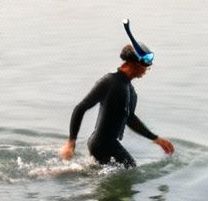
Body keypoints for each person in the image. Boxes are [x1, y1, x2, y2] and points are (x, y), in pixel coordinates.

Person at [62, 26, 174, 168]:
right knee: (130, 170)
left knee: (100, 173)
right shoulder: (110, 82)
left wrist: (156, 139)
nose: (147, 70)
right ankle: (50, 174)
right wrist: (71, 143)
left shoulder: (130, 89)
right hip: (102, 144)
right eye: (145, 66)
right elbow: (80, 107)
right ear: (133, 63)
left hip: (107, 144)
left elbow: (130, 119)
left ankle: (52, 173)